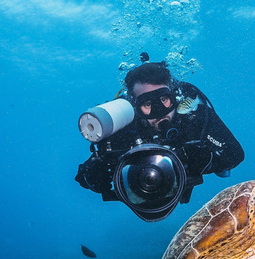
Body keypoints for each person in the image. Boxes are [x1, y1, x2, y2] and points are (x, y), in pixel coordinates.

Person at [75, 59, 244, 221]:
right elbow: (86, 174)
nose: (159, 112)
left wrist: (206, 161)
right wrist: (94, 176)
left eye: (164, 100)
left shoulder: (193, 116)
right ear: (134, 106)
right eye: (147, 104)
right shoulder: (125, 128)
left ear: (174, 97)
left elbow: (235, 154)